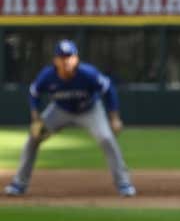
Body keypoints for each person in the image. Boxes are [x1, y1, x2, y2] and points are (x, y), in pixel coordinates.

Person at [4, 40, 136, 197]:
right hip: (59, 110)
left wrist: (114, 118)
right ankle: (19, 183)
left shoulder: (88, 74)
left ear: (76, 59)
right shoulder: (48, 76)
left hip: (89, 110)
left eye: (70, 56)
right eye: (62, 57)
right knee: (33, 139)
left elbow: (108, 90)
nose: (66, 60)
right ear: (55, 60)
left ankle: (123, 183)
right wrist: (36, 117)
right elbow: (34, 93)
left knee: (106, 138)